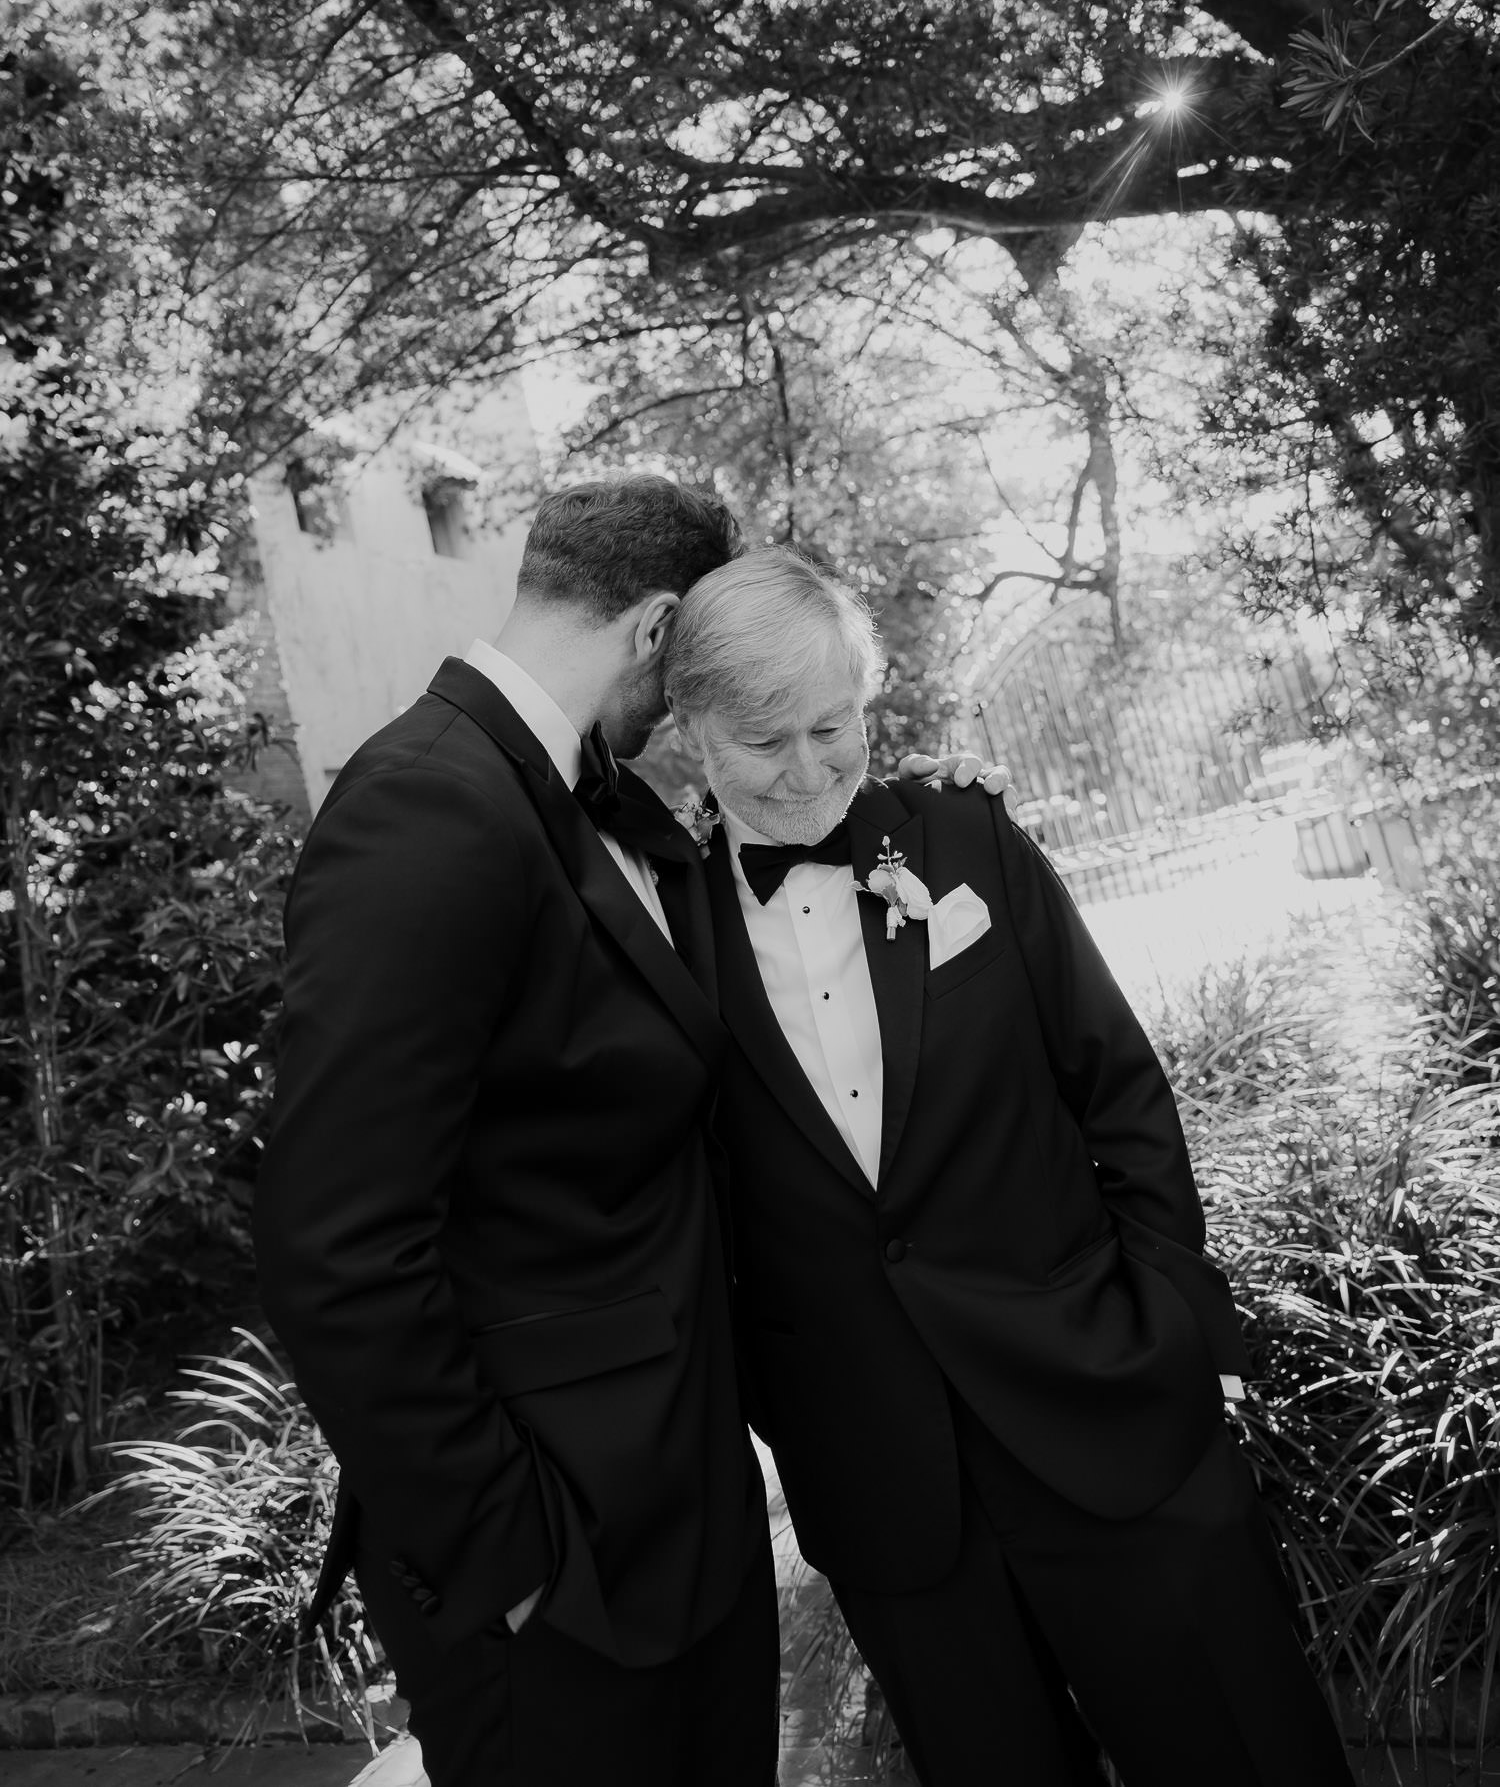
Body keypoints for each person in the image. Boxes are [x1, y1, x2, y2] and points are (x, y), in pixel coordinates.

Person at [665, 547, 1358, 1787]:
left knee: (1246, 1753)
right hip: (883, 1487)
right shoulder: (661, 929)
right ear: (692, 728)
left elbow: (1121, 1089)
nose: (813, 769)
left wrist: (1169, 1329)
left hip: (1107, 1410)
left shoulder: (967, 837)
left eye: (836, 727)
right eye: (767, 743)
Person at [252, 477, 777, 1787]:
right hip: (562, 1570)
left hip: (682, 1518)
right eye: (693, 657)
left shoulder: (579, 800)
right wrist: (517, 1561)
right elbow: (339, 1247)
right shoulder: (424, 805)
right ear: (655, 626)